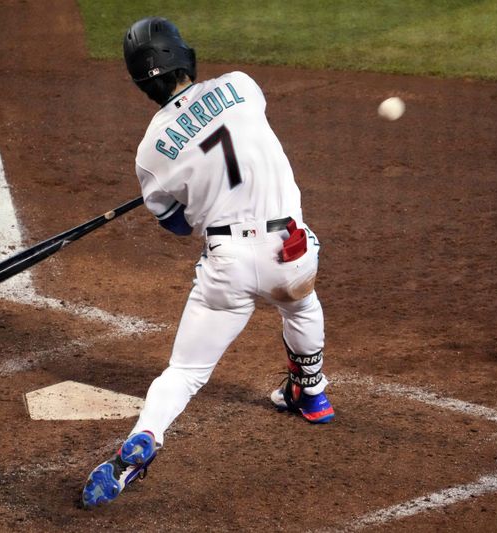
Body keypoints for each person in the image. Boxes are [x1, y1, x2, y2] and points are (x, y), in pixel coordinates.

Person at [81, 17, 334, 508]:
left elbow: (177, 224)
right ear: (183, 55)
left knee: (184, 372)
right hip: (291, 249)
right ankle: (313, 393)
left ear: (140, 82)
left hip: (228, 264)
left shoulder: (151, 155)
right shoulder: (240, 86)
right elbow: (236, 134)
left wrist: (174, 183)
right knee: (301, 308)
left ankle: (145, 439)